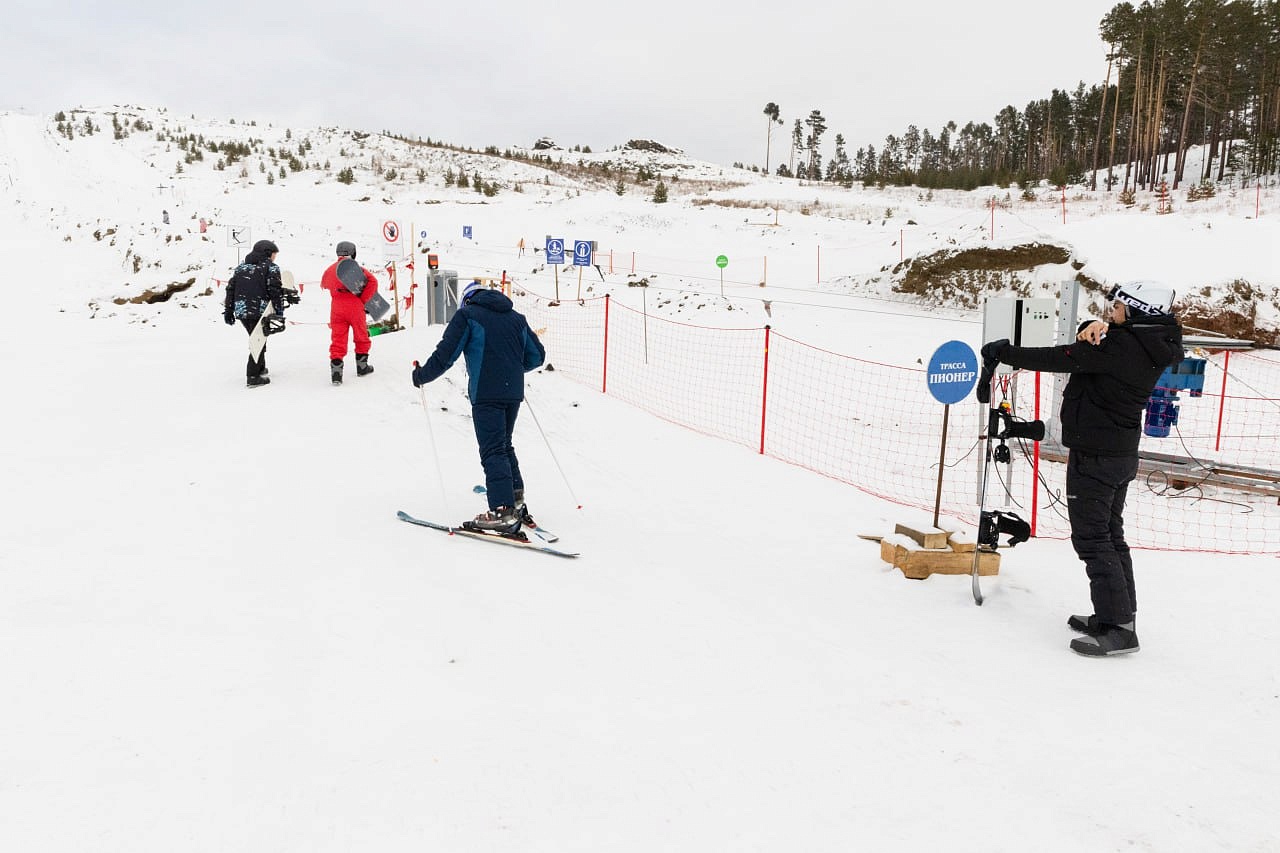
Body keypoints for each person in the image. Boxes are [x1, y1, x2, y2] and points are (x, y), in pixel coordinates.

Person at [980, 281, 1184, 657]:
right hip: (1118, 454)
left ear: (1136, 312)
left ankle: (1119, 631)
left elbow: (1063, 357)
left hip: (1096, 457)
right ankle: (1117, 617)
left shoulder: (1121, 347)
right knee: (1111, 536)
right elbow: (1094, 346)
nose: (1112, 310)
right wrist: (1093, 324)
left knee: (1093, 540)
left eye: (1119, 306)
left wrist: (1005, 352)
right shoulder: (1147, 342)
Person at [412, 281, 546, 533]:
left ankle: (502, 511)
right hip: (513, 392)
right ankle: (515, 500)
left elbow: (446, 355)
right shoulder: (516, 318)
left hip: (486, 392)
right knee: (504, 444)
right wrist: (511, 369)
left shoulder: (467, 315)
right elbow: (537, 356)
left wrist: (421, 376)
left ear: (467, 300)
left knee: (493, 450)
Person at [223, 239, 285, 387]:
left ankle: (261, 368)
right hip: (260, 310)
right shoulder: (271, 268)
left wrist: (228, 310)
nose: (274, 257)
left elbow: (230, 289)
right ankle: (253, 376)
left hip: (242, 310)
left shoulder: (240, 268)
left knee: (258, 337)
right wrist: (279, 310)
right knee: (258, 340)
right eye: (274, 254)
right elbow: (274, 290)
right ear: (267, 253)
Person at [320, 241, 379, 385]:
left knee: (338, 339)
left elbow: (325, 284)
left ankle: (336, 374)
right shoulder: (358, 269)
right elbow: (373, 282)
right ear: (353, 252)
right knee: (361, 336)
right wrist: (365, 299)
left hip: (337, 308)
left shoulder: (329, 270)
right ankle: (362, 367)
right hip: (355, 307)